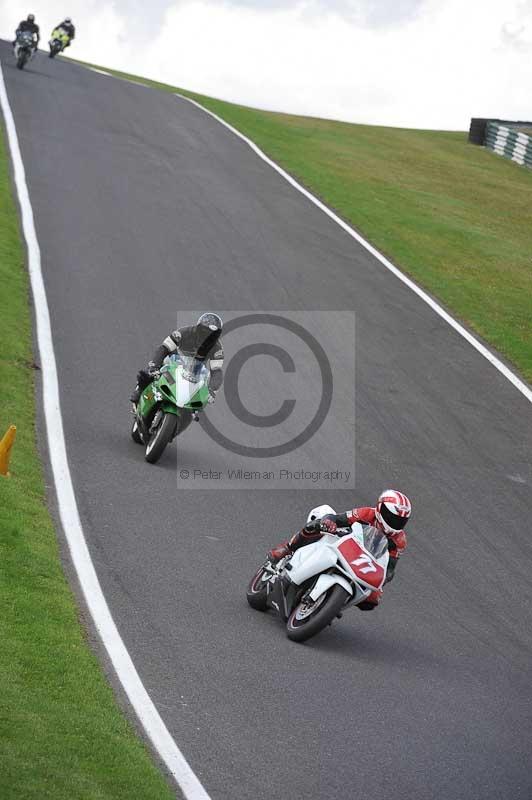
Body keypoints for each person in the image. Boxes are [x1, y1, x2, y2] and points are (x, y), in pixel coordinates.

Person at [268, 490, 412, 610]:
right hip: (345, 542)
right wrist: (329, 521)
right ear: (381, 509)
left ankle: (332, 605)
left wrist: (381, 582)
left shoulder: (399, 540)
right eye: (392, 517)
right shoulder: (367, 513)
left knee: (372, 600)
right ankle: (287, 548)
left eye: (400, 520)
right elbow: (338, 518)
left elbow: (390, 568)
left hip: (364, 563)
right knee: (314, 526)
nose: (395, 523)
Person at [130, 313, 224, 405]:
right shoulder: (183, 332)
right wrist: (155, 365)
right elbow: (164, 348)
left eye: (213, 335)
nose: (208, 337)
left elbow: (216, 370)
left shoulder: (217, 348)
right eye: (205, 332)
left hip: (194, 372)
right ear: (198, 329)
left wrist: (212, 389)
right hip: (173, 362)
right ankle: (140, 389)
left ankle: (187, 412)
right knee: (151, 369)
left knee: (200, 398)